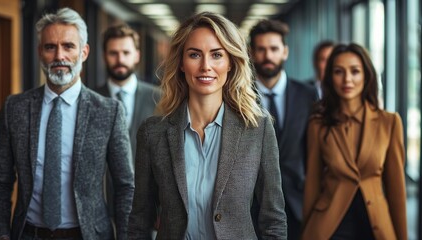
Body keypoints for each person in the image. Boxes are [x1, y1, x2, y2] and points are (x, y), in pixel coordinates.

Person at [128, 12, 287, 239]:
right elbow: (140, 220)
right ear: (182, 63)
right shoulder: (153, 133)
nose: (205, 66)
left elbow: (273, 220)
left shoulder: (257, 129)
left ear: (231, 62)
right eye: (194, 55)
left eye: (216, 55)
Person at [0, 8, 134, 240]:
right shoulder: (14, 109)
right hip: (28, 234)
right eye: (50, 47)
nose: (60, 56)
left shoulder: (108, 111)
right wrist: (0, 235)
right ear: (40, 52)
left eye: (68, 46)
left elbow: (125, 186)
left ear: (84, 52)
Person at [302, 43, 407, 240]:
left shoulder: (389, 122)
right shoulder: (318, 124)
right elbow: (312, 184)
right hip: (330, 226)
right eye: (339, 72)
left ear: (367, 75)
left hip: (376, 226)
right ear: (330, 78)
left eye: (355, 71)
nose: (347, 79)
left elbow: (396, 191)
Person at [249, 19, 318, 240]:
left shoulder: (307, 95)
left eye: (274, 49)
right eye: (261, 49)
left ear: (285, 52)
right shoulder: (239, 96)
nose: (268, 56)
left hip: (297, 203)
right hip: (250, 204)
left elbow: (312, 151)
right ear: (251, 53)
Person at [94, 24, 160, 220]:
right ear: (104, 56)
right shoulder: (90, 100)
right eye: (113, 53)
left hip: (148, 206)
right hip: (102, 205)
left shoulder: (160, 99)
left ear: (137, 55)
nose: (120, 59)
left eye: (126, 52)